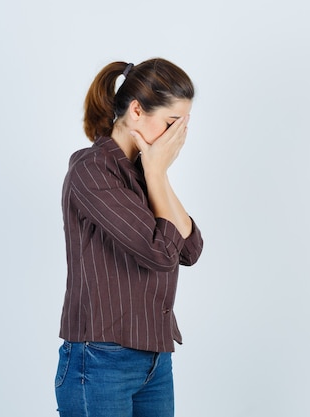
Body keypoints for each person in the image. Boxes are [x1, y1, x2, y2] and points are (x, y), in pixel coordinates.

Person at [54, 58, 204, 417]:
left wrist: (157, 174)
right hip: (101, 361)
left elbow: (190, 248)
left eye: (183, 124)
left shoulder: (142, 173)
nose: (178, 135)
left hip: (155, 360)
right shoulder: (91, 170)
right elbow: (160, 254)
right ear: (137, 110)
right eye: (171, 122)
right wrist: (156, 171)